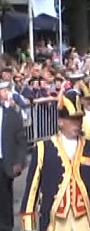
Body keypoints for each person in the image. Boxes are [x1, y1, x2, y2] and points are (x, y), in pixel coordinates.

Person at [21, 91, 90, 231]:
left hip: (85, 218)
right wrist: (29, 226)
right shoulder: (43, 148)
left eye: (79, 119)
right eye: (72, 120)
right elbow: (32, 190)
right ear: (61, 121)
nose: (77, 124)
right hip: (55, 221)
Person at [0, 81, 28, 231]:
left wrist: (19, 162)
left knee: (5, 195)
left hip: (5, 160)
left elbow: (21, 140)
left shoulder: (12, 114)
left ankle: (6, 226)